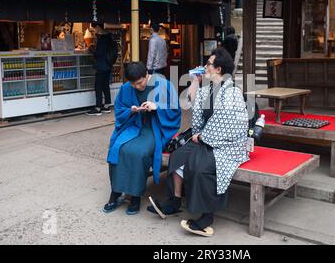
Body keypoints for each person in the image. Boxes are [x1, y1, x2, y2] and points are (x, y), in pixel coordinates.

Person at [147, 48, 249, 237]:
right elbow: (192, 105)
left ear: (218, 69)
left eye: (208, 63)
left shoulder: (232, 91)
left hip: (227, 145)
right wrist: (196, 81)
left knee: (201, 167)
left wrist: (203, 136)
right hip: (206, 138)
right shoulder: (207, 88)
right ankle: (174, 202)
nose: (205, 66)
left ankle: (206, 217)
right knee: (178, 156)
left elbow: (228, 122)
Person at [104, 62, 181, 215]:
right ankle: (116, 192)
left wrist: (157, 107)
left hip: (154, 128)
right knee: (117, 148)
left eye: (140, 83)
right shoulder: (127, 88)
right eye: (134, 84)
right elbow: (119, 109)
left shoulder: (163, 84)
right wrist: (131, 110)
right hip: (132, 125)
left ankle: (135, 195)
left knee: (138, 153)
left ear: (147, 74)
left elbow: (174, 111)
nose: (138, 87)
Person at [86, 23, 113, 116]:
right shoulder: (109, 37)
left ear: (98, 27)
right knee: (105, 85)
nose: (94, 30)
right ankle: (107, 106)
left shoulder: (102, 39)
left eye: (95, 28)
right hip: (108, 66)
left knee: (98, 86)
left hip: (101, 66)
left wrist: (91, 49)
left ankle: (98, 108)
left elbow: (98, 53)